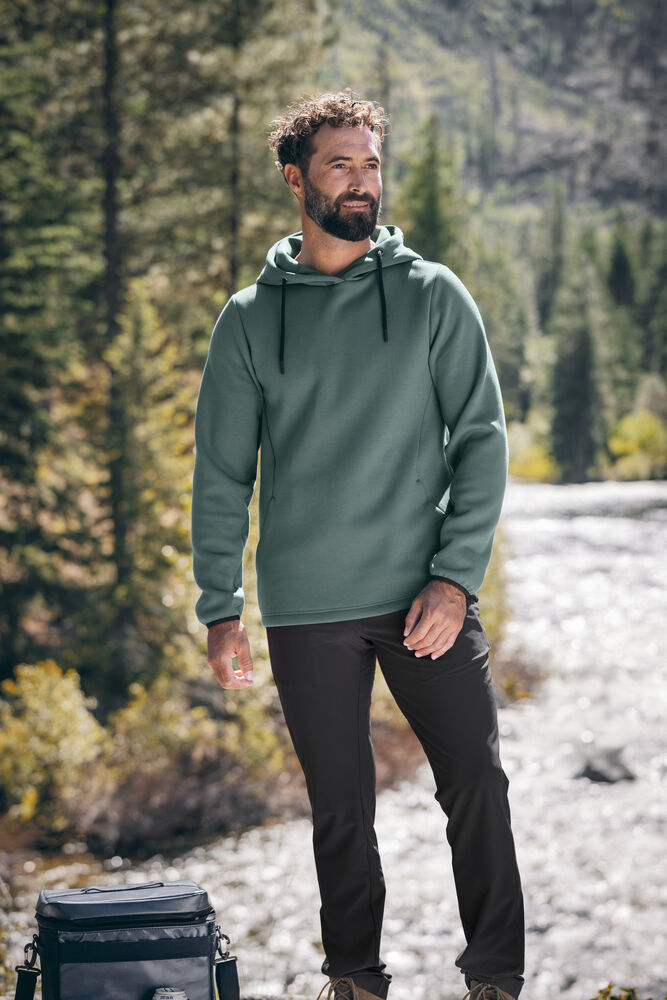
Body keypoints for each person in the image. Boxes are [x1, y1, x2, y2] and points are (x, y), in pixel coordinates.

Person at [191, 88, 525, 1000]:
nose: (360, 181)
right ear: (295, 179)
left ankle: (496, 980)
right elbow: (221, 475)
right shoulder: (250, 317)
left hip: (425, 596)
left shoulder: (430, 294)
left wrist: (455, 579)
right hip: (308, 605)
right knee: (340, 810)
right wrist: (221, 609)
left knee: (477, 785)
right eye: (339, 164)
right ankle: (354, 981)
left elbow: (481, 439)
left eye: (370, 164)